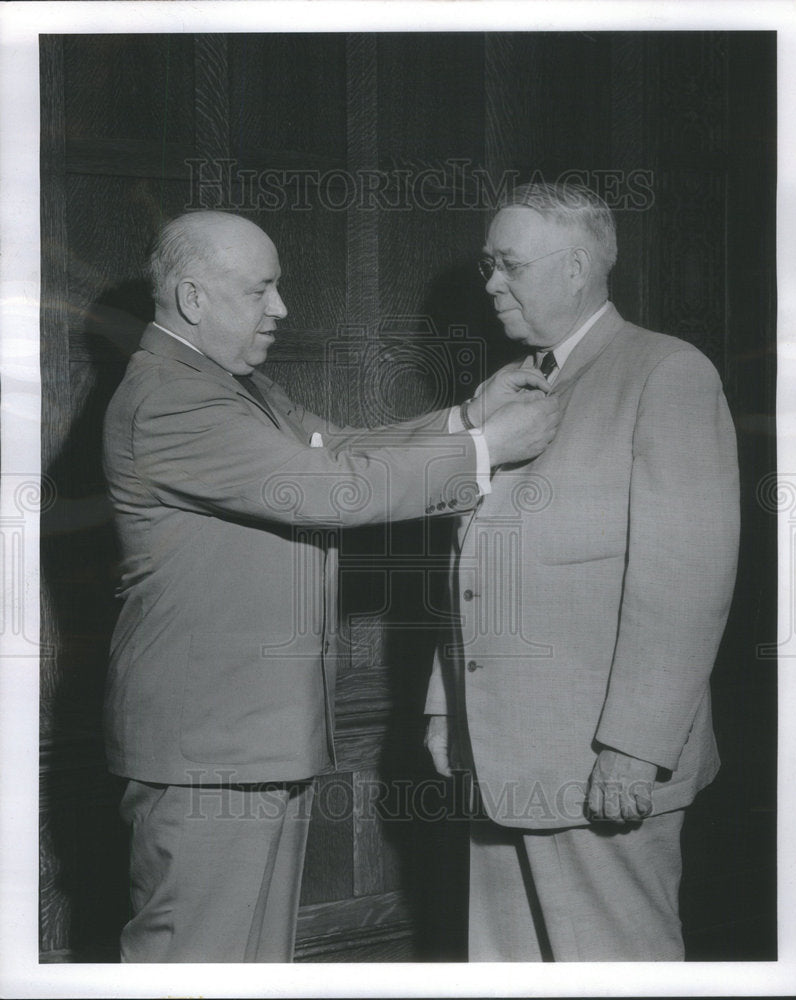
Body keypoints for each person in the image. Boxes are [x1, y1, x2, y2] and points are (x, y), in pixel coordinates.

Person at [102, 209, 560, 963]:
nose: (280, 309)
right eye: (261, 291)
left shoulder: (227, 385)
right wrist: (484, 449)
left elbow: (338, 447)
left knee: (245, 964)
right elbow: (329, 489)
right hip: (208, 746)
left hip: (245, 742)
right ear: (192, 299)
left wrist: (466, 417)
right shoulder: (172, 399)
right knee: (195, 964)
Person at [425, 181, 740, 961]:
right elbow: (474, 557)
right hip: (502, 753)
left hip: (598, 763)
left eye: (509, 265)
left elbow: (687, 578)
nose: (491, 283)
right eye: (485, 266)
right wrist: (445, 706)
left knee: (616, 967)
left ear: (573, 269)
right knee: (509, 970)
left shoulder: (665, 372)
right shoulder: (514, 385)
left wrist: (634, 746)